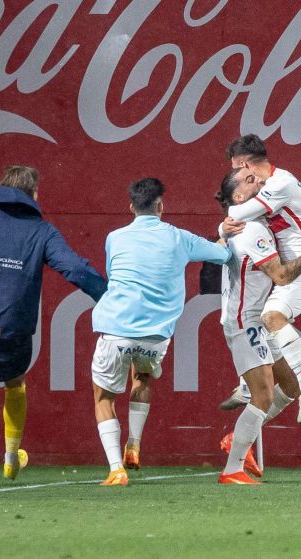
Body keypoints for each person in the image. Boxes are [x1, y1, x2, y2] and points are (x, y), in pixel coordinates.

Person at [0, 166, 107, 487]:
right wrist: (107, 294)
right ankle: (11, 456)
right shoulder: (41, 231)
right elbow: (73, 267)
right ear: (34, 195)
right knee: (15, 384)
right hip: (14, 327)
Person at [91, 178, 233, 486]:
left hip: (116, 330)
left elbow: (114, 273)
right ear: (161, 206)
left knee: (104, 397)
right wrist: (224, 237)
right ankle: (134, 443)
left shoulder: (114, 238)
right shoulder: (179, 238)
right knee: (141, 377)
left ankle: (117, 468)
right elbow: (223, 256)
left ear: (131, 207)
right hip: (156, 338)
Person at [215, 168, 301, 484]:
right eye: (249, 180)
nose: (260, 180)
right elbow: (281, 277)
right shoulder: (251, 230)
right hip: (245, 323)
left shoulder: (251, 224)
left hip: (251, 320)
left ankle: (240, 441)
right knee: (263, 397)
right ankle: (233, 469)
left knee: (289, 388)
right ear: (239, 198)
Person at [218, 135, 301, 424]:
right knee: (264, 332)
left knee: (271, 317)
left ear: (244, 165)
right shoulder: (274, 185)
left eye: (235, 169)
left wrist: (222, 225)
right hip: (294, 268)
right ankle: (246, 425)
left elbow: (237, 211)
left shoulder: (281, 184)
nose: (234, 174)